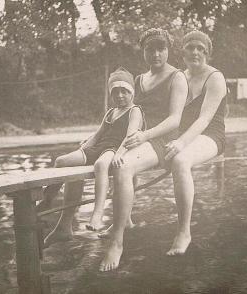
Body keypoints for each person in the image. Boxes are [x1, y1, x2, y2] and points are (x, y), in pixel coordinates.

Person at [99, 28, 188, 272]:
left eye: (161, 48)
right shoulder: (138, 80)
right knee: (110, 159)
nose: (156, 54)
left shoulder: (177, 77)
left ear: (169, 50)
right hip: (137, 137)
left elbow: (175, 119)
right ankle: (124, 220)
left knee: (124, 166)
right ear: (144, 52)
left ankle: (117, 242)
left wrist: (144, 136)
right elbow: (128, 113)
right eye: (151, 49)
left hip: (162, 139)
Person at [40, 67, 145, 246]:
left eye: (124, 91)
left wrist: (120, 153)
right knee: (61, 161)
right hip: (100, 146)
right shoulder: (111, 112)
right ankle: (48, 199)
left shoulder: (135, 111)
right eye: (115, 92)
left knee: (100, 165)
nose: (120, 96)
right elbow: (97, 136)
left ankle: (97, 214)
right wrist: (83, 148)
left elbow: (130, 135)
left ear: (132, 93)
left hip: (115, 148)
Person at [164, 30, 227, 256]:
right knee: (136, 150)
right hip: (185, 134)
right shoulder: (179, 76)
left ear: (207, 53)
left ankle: (183, 232)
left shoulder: (215, 77)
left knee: (180, 161)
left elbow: (204, 119)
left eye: (201, 49)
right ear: (183, 51)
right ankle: (125, 220)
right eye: (191, 47)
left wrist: (180, 143)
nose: (195, 52)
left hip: (211, 135)